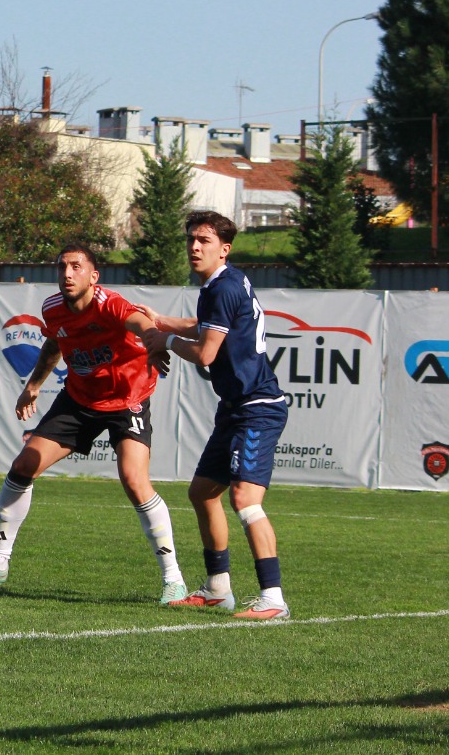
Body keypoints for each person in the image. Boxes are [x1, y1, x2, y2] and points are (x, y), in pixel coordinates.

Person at [0, 244, 185, 603]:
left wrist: (153, 340)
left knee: (135, 481)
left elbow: (140, 322)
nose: (67, 273)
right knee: (24, 465)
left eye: (76, 267)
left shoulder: (109, 304)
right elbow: (54, 343)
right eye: (62, 266)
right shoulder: (53, 308)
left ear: (94, 277)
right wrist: (33, 386)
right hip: (79, 399)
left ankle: (174, 579)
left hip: (127, 399)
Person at [144, 211, 291, 621]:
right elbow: (205, 327)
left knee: (245, 499)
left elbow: (206, 352)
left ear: (224, 249)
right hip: (235, 409)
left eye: (204, 240)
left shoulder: (221, 289)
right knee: (203, 492)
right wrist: (161, 321)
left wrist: (166, 339)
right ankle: (217, 589)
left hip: (257, 409)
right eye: (191, 239)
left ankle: (273, 598)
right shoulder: (223, 283)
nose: (194, 246)